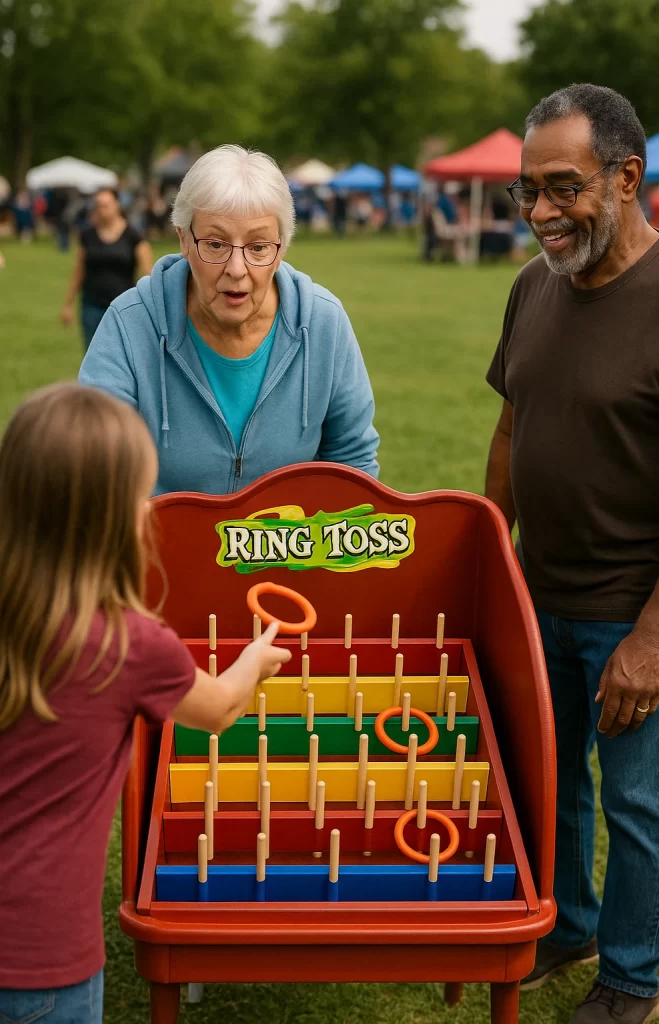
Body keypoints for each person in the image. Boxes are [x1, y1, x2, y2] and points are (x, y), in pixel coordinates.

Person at [0, 383, 291, 1023]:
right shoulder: (130, 645)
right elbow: (218, 710)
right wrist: (254, 658)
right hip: (42, 962)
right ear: (116, 518)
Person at [486, 83, 659, 1023]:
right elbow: (509, 425)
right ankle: (567, 926)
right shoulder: (533, 285)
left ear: (625, 179)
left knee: (635, 805)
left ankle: (631, 978)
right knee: (547, 773)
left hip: (631, 607)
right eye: (526, 191)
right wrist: (490, 555)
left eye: (561, 189)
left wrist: (653, 636)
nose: (538, 214)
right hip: (538, 594)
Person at [79, 145, 379, 496]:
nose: (237, 270)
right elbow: (96, 468)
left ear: (281, 249)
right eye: (216, 244)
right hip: (161, 544)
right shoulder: (129, 324)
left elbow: (353, 460)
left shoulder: (324, 322)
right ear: (184, 241)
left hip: (289, 548)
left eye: (258, 247)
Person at [61, 188, 153, 350]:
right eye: (99, 205)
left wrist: (150, 305)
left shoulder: (133, 235)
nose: (102, 210)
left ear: (117, 205)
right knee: (93, 354)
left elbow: (147, 273)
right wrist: (68, 303)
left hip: (123, 306)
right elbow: (79, 270)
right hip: (92, 305)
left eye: (106, 205)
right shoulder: (87, 235)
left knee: (121, 354)